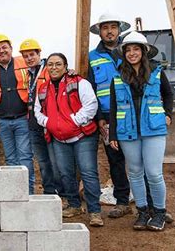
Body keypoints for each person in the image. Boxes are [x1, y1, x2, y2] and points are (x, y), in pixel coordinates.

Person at [109, 31, 173, 231]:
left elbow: (168, 94)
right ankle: (142, 212)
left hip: (153, 129)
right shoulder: (118, 77)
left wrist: (168, 114)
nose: (132, 53)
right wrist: (113, 135)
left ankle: (159, 213)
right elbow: (114, 108)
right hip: (128, 132)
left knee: (154, 173)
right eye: (128, 50)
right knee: (135, 173)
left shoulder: (156, 72)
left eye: (136, 49)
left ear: (144, 52)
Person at [35, 53, 104, 227]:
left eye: (58, 64)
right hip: (59, 138)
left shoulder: (79, 83)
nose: (54, 68)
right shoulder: (43, 89)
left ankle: (94, 211)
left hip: (83, 136)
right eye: (50, 64)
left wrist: (74, 120)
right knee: (65, 173)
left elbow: (91, 105)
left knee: (88, 172)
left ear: (65, 66)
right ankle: (73, 205)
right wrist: (48, 122)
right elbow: (37, 111)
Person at [88, 13, 132, 218]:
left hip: (131, 114)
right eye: (105, 28)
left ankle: (148, 203)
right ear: (100, 31)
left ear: (119, 29)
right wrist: (99, 118)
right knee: (115, 160)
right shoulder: (91, 57)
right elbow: (91, 89)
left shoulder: (131, 50)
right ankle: (122, 202)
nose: (109, 31)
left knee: (138, 159)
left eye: (113, 27)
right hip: (106, 116)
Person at [0, 34, 34, 194]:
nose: (2, 51)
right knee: (10, 159)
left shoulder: (24, 64)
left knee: (25, 157)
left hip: (23, 119)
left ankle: (28, 193)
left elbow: (42, 68)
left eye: (4, 47)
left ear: (11, 49)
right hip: (3, 122)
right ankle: (15, 192)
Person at [19, 39, 62, 195]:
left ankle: (60, 192)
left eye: (32, 54)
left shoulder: (48, 69)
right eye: (25, 56)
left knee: (55, 161)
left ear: (39, 54)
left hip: (49, 123)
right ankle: (49, 192)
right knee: (43, 162)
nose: (29, 58)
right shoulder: (28, 74)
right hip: (33, 124)